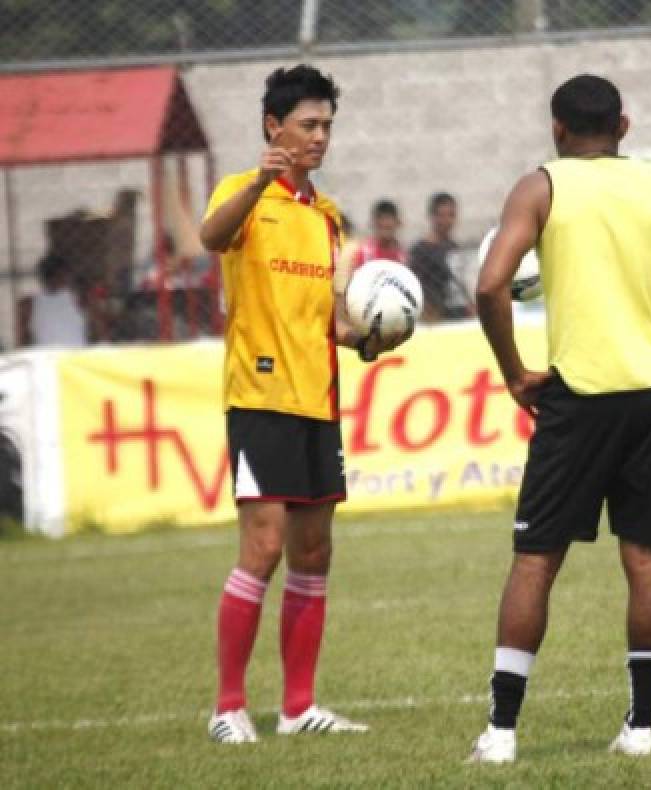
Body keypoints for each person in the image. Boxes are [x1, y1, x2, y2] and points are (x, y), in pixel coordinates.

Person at [467, 74, 651, 763]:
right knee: (646, 558)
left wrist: (514, 371)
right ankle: (641, 729)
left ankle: (503, 734)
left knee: (536, 561)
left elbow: (490, 285)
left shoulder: (540, 187)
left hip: (579, 395)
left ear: (558, 129)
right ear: (624, 127)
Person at [198, 64, 403, 745]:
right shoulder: (242, 194)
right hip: (260, 398)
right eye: (309, 125)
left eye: (327, 127)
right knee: (262, 548)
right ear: (273, 126)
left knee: (314, 553)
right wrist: (259, 181)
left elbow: (332, 320)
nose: (320, 137)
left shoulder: (327, 218)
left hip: (318, 401)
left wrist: (369, 337)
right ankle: (228, 708)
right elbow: (211, 237)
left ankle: (297, 708)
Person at [408, 192, 472, 320]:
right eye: (441, 216)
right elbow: (414, 286)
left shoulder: (454, 247)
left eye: (451, 215)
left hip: (457, 313)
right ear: (432, 217)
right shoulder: (420, 250)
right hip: (434, 316)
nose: (446, 221)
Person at [18, 253, 87, 348]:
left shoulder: (77, 297)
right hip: (70, 357)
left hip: (53, 358)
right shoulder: (29, 303)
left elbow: (22, 341)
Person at [345, 199, 407, 271]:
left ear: (398, 223)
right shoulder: (365, 254)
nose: (385, 223)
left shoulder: (402, 257)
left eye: (389, 219)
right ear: (373, 223)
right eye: (381, 219)